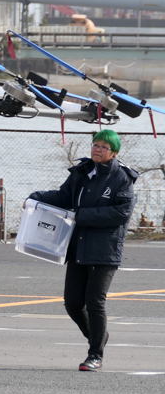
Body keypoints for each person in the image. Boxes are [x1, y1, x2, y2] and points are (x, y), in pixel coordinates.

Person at [26, 129, 137, 372]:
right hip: (78, 247)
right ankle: (99, 338)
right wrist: (36, 197)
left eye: (104, 147)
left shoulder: (121, 178)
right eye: (95, 145)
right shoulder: (83, 172)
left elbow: (121, 213)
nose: (97, 149)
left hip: (104, 250)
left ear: (114, 153)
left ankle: (95, 354)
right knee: (73, 303)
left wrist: (81, 216)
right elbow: (64, 196)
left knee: (95, 302)